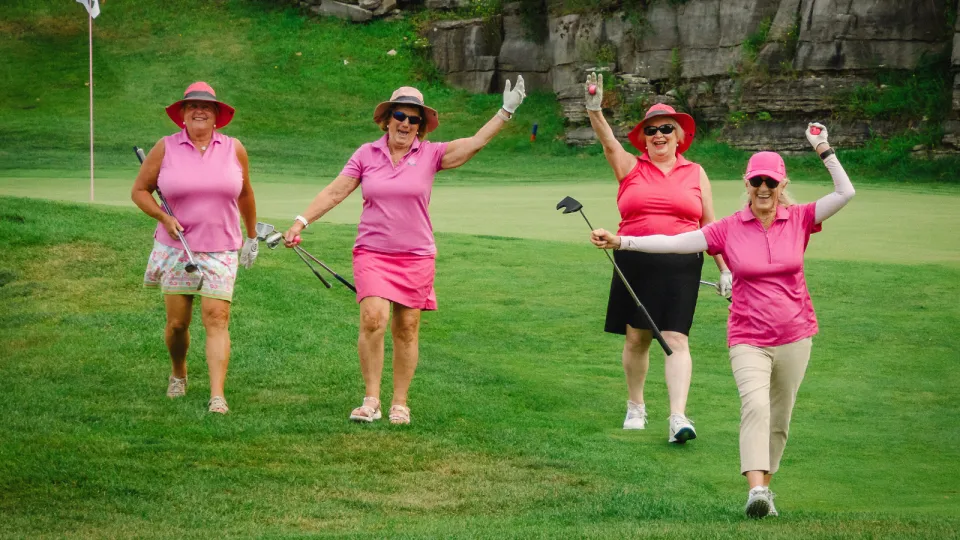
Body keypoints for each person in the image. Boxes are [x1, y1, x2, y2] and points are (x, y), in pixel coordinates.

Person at [590, 123, 854, 518]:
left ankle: (767, 485)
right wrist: (622, 241)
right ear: (747, 184)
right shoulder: (728, 228)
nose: (763, 188)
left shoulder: (800, 218)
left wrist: (823, 149)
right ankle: (756, 491)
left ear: (781, 185)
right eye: (756, 181)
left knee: (779, 419)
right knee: (756, 407)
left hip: (796, 334)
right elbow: (675, 242)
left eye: (771, 182)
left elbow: (845, 193)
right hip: (747, 335)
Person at [283, 78, 526, 425]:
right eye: (400, 115)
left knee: (407, 328)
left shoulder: (431, 154)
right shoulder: (366, 154)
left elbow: (474, 143)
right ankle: (371, 400)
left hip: (416, 255)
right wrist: (300, 222)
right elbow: (335, 191)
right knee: (373, 319)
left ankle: (400, 402)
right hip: (373, 251)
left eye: (414, 119)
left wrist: (506, 111)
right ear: (387, 119)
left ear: (420, 126)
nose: (406, 124)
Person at [583, 72, 731, 442]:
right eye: (651, 131)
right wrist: (594, 110)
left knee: (676, 337)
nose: (659, 135)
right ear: (644, 138)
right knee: (637, 338)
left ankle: (678, 417)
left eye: (667, 129)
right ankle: (636, 406)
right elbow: (608, 142)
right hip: (634, 259)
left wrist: (725, 269)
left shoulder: (696, 172)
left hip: (682, 263)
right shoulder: (630, 167)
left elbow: (709, 225)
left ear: (679, 136)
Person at [131, 82, 259, 415]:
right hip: (177, 246)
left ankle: (217, 395)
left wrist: (251, 235)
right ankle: (178, 373)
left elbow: (245, 193)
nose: (199, 111)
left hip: (221, 247)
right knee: (177, 324)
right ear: (183, 114)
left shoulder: (234, 148)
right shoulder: (165, 147)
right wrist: (163, 217)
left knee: (217, 318)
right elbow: (140, 191)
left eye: (206, 106)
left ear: (217, 115)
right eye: (192, 106)